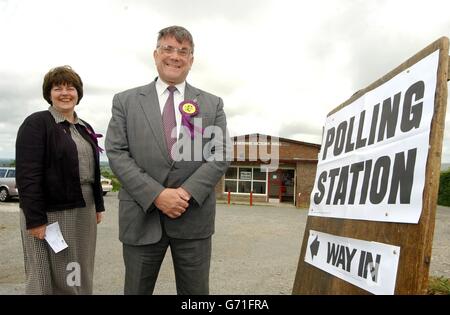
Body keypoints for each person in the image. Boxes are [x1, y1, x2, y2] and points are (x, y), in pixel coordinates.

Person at [105, 25, 230, 295]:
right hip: (141, 217)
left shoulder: (212, 103)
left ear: (191, 60)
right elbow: (116, 151)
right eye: (168, 49)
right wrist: (157, 195)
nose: (175, 56)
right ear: (155, 54)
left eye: (183, 51)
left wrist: (184, 193)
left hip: (193, 219)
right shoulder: (125, 101)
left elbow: (220, 154)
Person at [16, 65, 105, 294]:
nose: (65, 93)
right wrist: (35, 219)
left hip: (83, 208)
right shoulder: (36, 123)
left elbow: (93, 171)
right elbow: (28, 174)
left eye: (71, 88)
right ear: (49, 93)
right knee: (48, 272)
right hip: (50, 211)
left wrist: (98, 205)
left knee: (79, 268)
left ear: (78, 93)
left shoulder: (85, 127)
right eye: (58, 88)